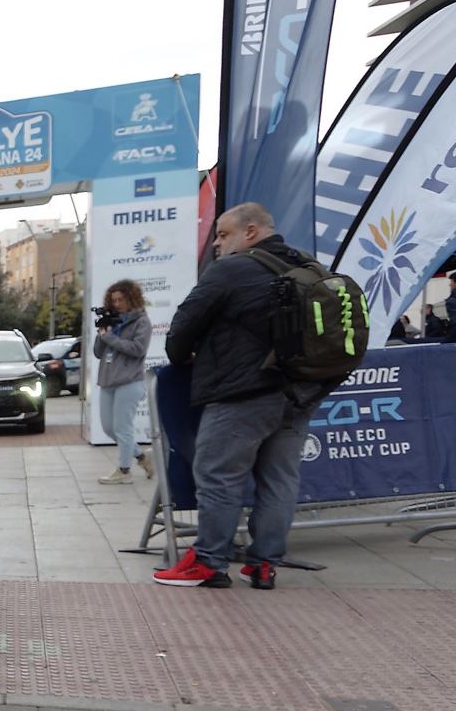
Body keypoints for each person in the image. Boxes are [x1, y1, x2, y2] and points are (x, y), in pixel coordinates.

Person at [153, 203, 338, 591]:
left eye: (222, 234)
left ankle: (208, 562)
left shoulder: (231, 269)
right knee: (280, 479)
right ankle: (264, 564)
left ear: (250, 231)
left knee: (219, 476)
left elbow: (184, 323)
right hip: (300, 393)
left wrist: (180, 356)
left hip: (243, 392)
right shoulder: (309, 265)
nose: (216, 243)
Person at [93, 279, 154, 484]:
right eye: (114, 300)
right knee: (109, 428)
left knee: (122, 427)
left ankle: (124, 470)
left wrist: (110, 338)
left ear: (132, 298)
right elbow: (98, 353)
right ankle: (142, 458)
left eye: (121, 299)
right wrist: (102, 334)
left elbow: (138, 349)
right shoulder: (113, 321)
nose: (117, 304)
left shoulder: (141, 322)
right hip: (108, 380)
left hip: (129, 380)